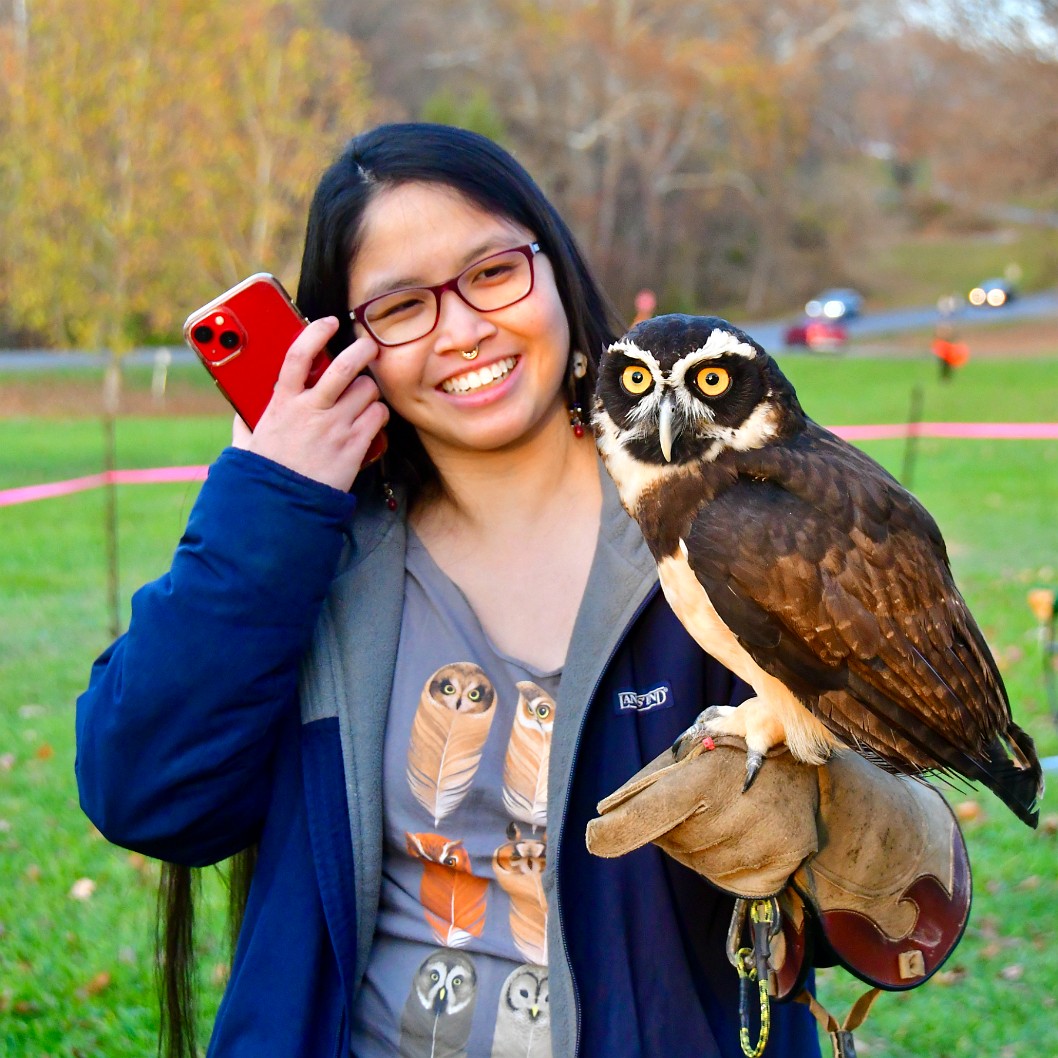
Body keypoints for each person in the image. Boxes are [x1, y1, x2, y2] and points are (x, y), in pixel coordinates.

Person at [75, 123, 823, 1058]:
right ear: (348, 347)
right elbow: (149, 794)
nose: (464, 329)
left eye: (493, 272)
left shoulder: (717, 520)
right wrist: (268, 497)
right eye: (399, 307)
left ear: (553, 268)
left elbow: (850, 895)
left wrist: (865, 843)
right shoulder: (313, 558)